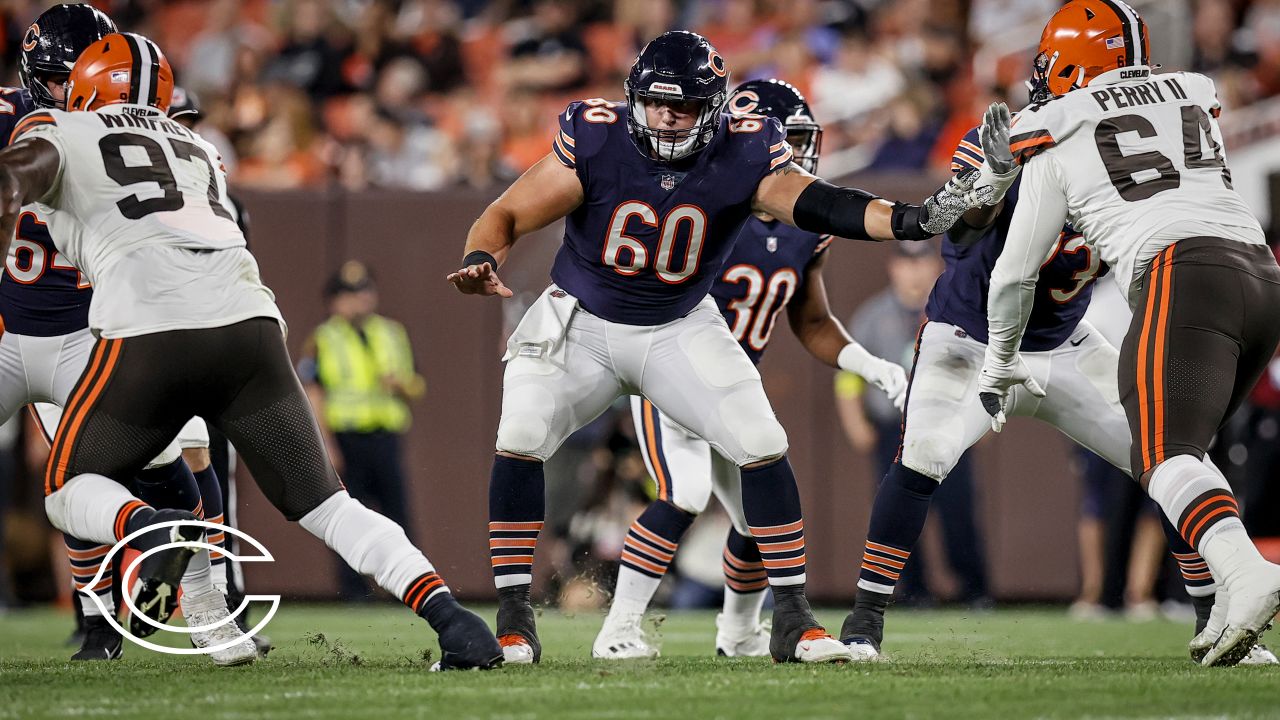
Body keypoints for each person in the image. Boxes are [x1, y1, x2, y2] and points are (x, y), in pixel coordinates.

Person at [448, 30, 1009, 665]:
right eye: (655, 103)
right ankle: (517, 621)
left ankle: (791, 620)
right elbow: (506, 214)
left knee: (761, 441)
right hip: (584, 322)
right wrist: (478, 256)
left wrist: (908, 218)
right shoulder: (598, 133)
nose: (664, 117)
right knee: (520, 432)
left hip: (676, 324)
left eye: (682, 106)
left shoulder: (743, 150)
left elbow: (817, 203)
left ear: (715, 110)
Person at [0, 31, 501, 671]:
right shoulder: (198, 148)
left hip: (150, 331)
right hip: (250, 327)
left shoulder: (63, 131)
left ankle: (151, 530)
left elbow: (22, 174)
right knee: (329, 505)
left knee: (66, 487)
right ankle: (454, 621)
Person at [979, 0, 1280, 667]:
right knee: (1189, 455)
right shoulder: (1193, 93)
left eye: (1054, 66)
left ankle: (1251, 572)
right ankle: (1232, 610)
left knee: (1159, 452)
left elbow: (1012, 277)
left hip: (1184, 271)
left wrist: (999, 360)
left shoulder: (1057, 129)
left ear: (1079, 64)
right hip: (1260, 275)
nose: (1044, 80)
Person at [591, 79, 908, 660]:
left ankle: (739, 635)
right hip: (669, 373)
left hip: (729, 391)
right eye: (785, 143)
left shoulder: (803, 231)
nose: (796, 158)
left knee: (760, 515)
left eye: (801, 144)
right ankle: (618, 629)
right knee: (683, 491)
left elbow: (811, 322)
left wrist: (867, 364)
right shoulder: (707, 207)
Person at [0, 3, 236, 663]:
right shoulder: (17, 120)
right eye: (54, 79)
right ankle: (101, 619)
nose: (65, 91)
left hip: (113, 323)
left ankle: (207, 606)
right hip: (20, 327)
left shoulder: (124, 125)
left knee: (176, 455)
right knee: (77, 478)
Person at [836, 242, 991, 608]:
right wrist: (855, 422)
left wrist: (981, 421)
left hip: (949, 424)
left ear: (934, 264)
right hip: (894, 428)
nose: (914, 271)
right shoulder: (873, 315)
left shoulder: (954, 311)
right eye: (906, 262)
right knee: (899, 512)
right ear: (893, 267)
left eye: (921, 261)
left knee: (958, 509)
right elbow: (849, 375)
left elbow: (981, 368)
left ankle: (973, 589)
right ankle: (910, 591)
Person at [299, 260, 425, 601]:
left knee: (398, 514)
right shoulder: (324, 338)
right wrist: (326, 445)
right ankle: (354, 593)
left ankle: (409, 588)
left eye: (364, 291)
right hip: (346, 438)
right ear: (334, 301)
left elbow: (417, 385)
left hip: (385, 436)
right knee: (348, 517)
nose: (359, 300)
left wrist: (401, 385)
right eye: (349, 294)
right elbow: (314, 393)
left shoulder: (391, 332)